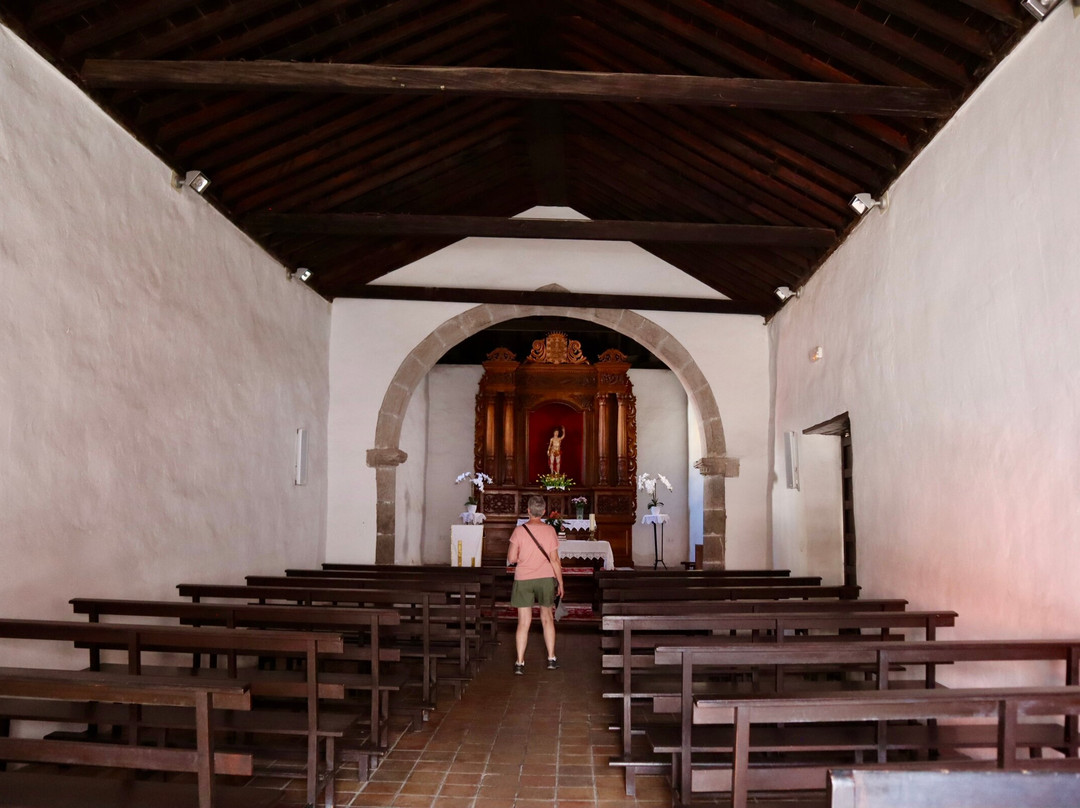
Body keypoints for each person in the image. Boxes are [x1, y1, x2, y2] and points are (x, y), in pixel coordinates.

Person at [506, 494, 565, 674]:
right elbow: (555, 560)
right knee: (547, 618)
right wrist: (560, 583)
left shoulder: (519, 531)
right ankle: (551, 658)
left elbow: (511, 558)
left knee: (524, 622)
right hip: (546, 578)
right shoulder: (550, 531)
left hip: (523, 579)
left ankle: (519, 662)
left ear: (529, 511)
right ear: (544, 512)